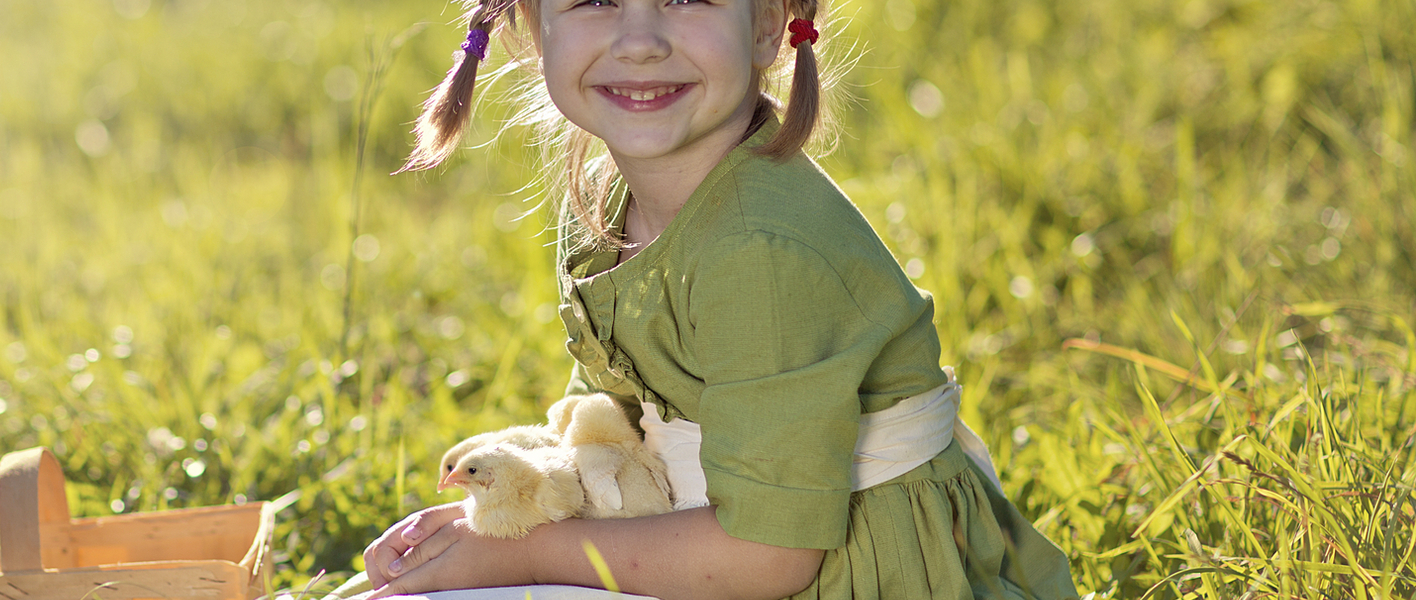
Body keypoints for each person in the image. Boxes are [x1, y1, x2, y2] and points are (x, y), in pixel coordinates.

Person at [349, 0, 1082, 598]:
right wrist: (514, 510)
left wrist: (526, 557)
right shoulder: (604, 193)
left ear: (767, 23)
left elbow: (771, 554)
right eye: (597, 0)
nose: (640, 41)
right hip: (704, 533)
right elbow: (622, 407)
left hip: (851, 571)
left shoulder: (760, 248)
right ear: (538, 29)